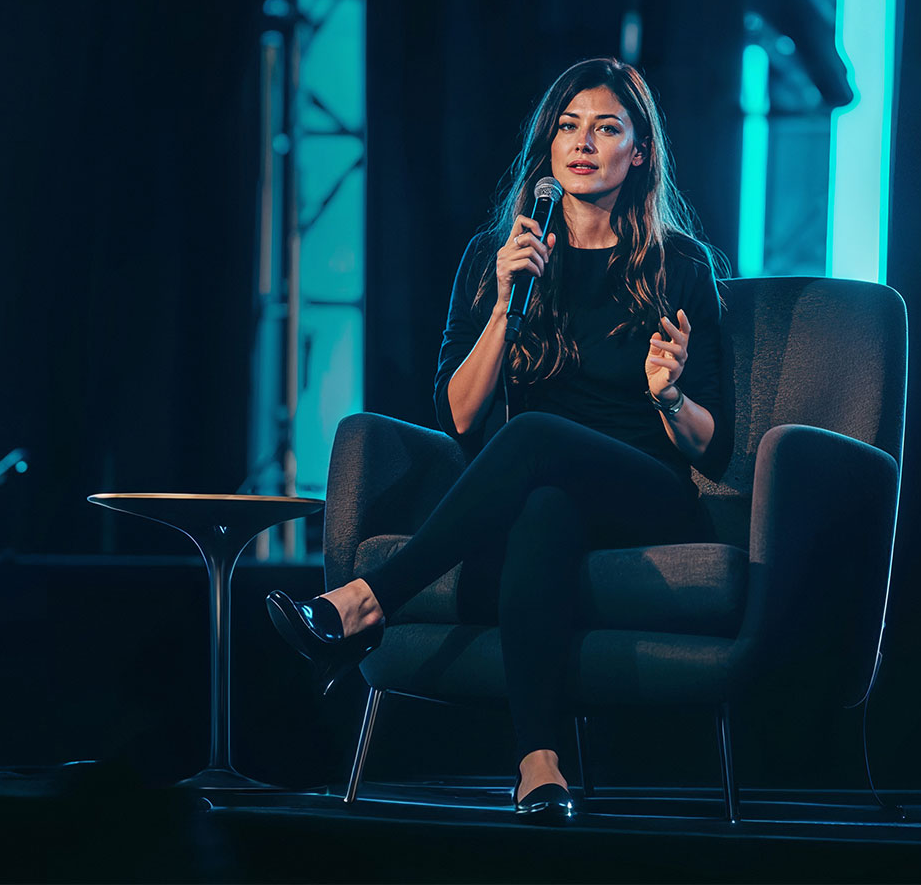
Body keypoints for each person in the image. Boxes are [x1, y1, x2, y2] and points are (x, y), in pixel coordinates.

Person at [267, 57, 731, 825]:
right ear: (547, 147)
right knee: (543, 505)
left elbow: (712, 449)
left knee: (541, 437)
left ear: (639, 153)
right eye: (568, 126)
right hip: (540, 489)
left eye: (606, 128)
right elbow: (457, 416)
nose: (583, 143)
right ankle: (540, 766)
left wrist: (669, 394)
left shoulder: (679, 267)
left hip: (647, 488)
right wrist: (505, 305)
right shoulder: (497, 258)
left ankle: (363, 603)